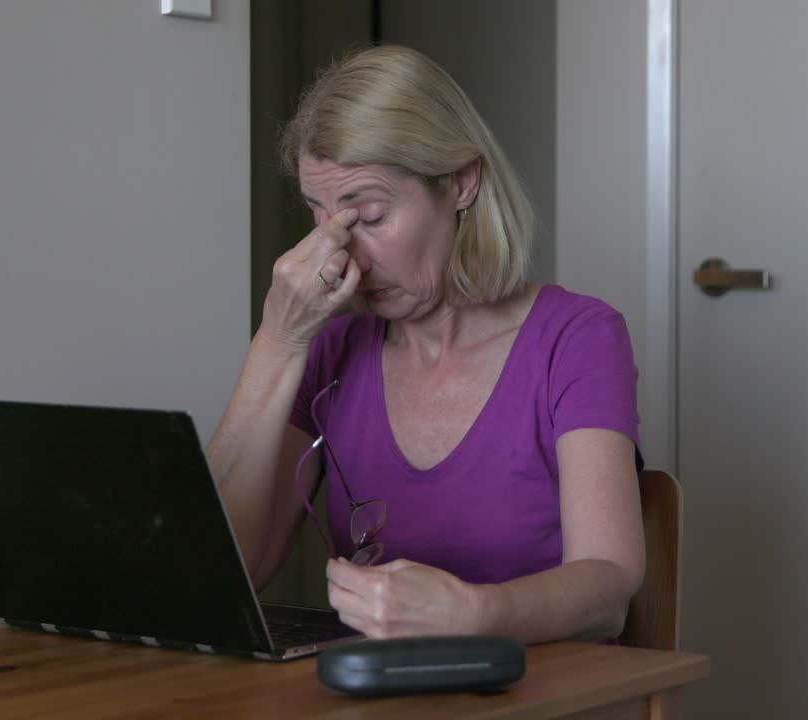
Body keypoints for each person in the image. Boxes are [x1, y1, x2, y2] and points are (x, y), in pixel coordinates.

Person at [206, 45, 644, 644]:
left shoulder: (576, 338)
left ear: (462, 183)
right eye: (320, 216)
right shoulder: (330, 352)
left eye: (369, 216)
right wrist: (278, 339)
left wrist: (472, 614)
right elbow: (226, 574)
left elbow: (609, 587)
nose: (341, 256)